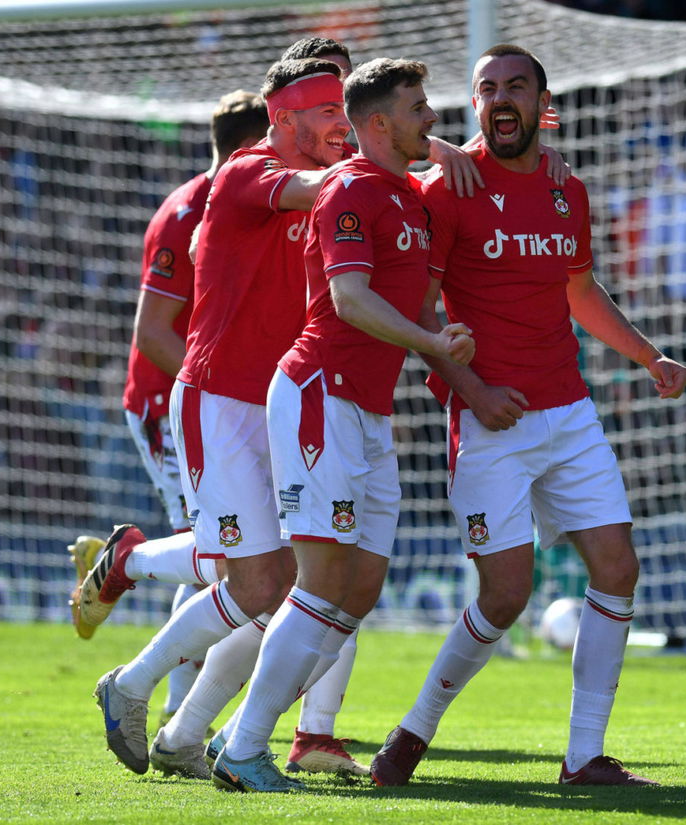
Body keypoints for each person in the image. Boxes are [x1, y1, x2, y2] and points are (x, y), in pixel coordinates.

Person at [368, 44, 686, 789]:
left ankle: (583, 756)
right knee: (506, 595)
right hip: (490, 422)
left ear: (542, 103)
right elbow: (421, 313)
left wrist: (649, 356)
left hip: (568, 410)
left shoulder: (564, 190)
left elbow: (578, 289)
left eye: (515, 86)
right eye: (487, 89)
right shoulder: (447, 190)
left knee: (618, 567)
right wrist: (472, 391)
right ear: (474, 104)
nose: (500, 98)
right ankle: (413, 734)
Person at [211, 57, 475, 794]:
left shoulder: (408, 197)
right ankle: (242, 747)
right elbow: (351, 299)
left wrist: (460, 360)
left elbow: (418, 310)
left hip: (368, 408)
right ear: (381, 123)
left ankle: (232, 735)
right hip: (319, 393)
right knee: (320, 584)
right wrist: (431, 343)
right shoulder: (352, 189)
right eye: (420, 108)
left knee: (358, 589)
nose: (432, 119)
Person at [67, 90, 268, 739]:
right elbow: (151, 333)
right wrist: (218, 395)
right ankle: (130, 558)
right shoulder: (185, 215)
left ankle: (180, 716)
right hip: (171, 401)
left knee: (225, 555)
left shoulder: (254, 206)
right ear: (247, 148)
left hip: (222, 403)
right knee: (221, 554)